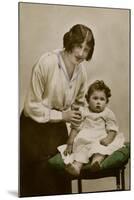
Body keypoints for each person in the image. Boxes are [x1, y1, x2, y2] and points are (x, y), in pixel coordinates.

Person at [19, 24, 95, 197]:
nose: (81, 53)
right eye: (78, 46)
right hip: (32, 130)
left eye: (86, 49)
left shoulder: (81, 72)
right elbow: (31, 106)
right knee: (39, 183)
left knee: (61, 181)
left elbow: (79, 104)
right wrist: (62, 115)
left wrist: (75, 120)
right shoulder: (46, 62)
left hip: (57, 130)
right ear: (69, 42)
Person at [58, 80, 125, 176]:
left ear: (106, 102)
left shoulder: (107, 113)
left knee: (100, 150)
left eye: (102, 99)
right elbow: (75, 127)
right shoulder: (83, 111)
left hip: (99, 138)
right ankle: (76, 168)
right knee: (81, 152)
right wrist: (70, 142)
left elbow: (112, 129)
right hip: (85, 138)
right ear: (88, 99)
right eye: (95, 98)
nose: (98, 102)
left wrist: (108, 139)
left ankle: (95, 163)